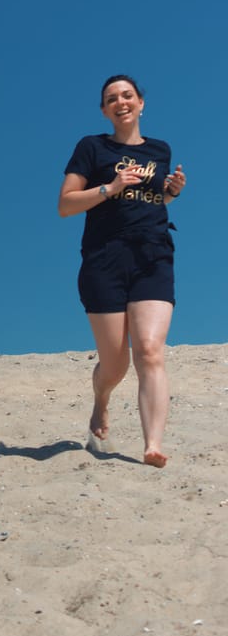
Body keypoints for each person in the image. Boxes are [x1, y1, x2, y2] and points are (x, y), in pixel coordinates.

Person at [58, 75, 185, 468]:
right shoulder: (91, 147)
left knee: (149, 351)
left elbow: (150, 199)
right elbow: (65, 204)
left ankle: (152, 444)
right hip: (104, 259)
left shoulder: (159, 150)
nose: (121, 102)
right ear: (104, 110)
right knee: (116, 364)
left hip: (152, 255)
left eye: (128, 95)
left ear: (141, 103)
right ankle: (101, 400)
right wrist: (109, 188)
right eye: (112, 98)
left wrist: (171, 192)